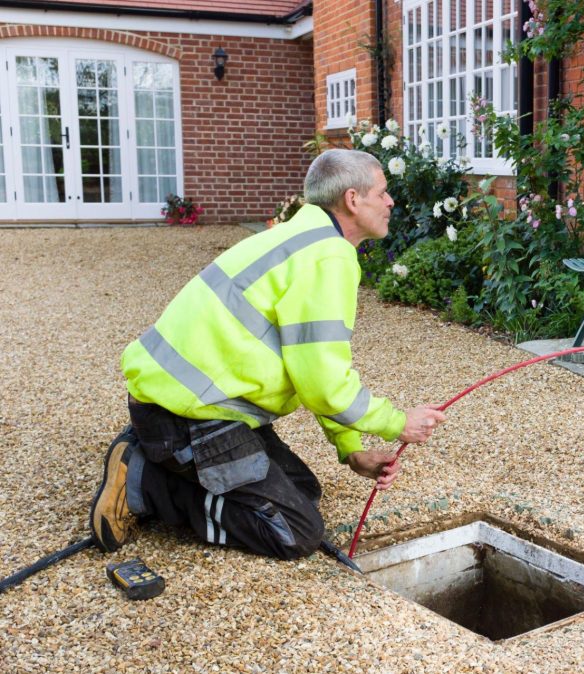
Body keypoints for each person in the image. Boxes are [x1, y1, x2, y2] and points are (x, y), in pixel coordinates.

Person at [89, 149, 447, 560]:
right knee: (293, 531)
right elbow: (325, 385)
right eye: (383, 193)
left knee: (304, 492)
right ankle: (148, 480)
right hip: (187, 417)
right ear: (352, 199)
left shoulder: (301, 239)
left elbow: (310, 368)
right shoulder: (328, 257)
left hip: (187, 403)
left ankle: (151, 452)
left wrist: (350, 448)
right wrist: (398, 423)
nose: (390, 203)